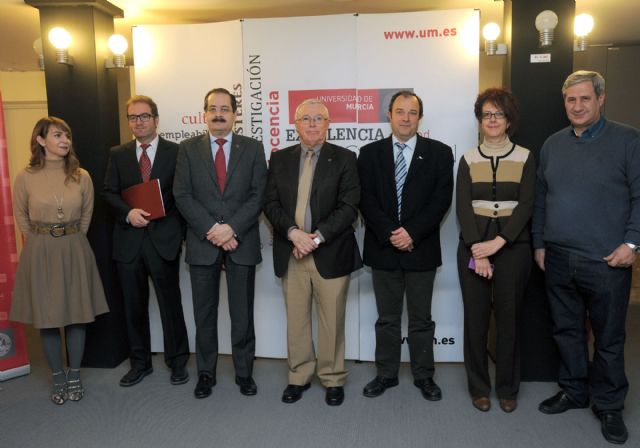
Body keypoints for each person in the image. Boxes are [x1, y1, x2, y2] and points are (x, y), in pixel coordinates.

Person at [533, 71, 640, 445]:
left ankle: (609, 405)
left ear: (601, 99)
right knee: (567, 331)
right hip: (559, 257)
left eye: (585, 99)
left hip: (607, 260)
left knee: (609, 338)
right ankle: (574, 390)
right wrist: (539, 243)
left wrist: (633, 243)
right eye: (571, 100)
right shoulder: (552, 144)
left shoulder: (628, 140)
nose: (577, 106)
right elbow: (542, 199)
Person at [263, 99, 361, 406]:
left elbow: (349, 207)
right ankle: (299, 376)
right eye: (306, 119)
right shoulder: (279, 160)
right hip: (291, 252)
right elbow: (271, 204)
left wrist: (314, 239)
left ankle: (332, 378)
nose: (313, 123)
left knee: (332, 320)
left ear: (328, 123)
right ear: (296, 124)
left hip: (329, 252)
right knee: (297, 321)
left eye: (319, 118)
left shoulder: (345, 158)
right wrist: (294, 234)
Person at [358, 90, 453, 401]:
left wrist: (411, 232)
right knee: (387, 318)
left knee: (421, 319)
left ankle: (424, 376)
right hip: (383, 248)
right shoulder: (369, 153)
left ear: (419, 117)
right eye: (400, 111)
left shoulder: (439, 153)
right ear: (389, 115)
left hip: (421, 248)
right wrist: (391, 233)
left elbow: (441, 200)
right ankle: (386, 374)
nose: (406, 118)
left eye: (412, 113)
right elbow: (366, 201)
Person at [173, 88, 267, 399]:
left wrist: (232, 229)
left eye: (225, 108)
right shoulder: (187, 149)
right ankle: (205, 373)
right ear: (204, 114)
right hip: (203, 242)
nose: (218, 114)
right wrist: (213, 229)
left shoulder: (252, 148)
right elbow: (182, 195)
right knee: (204, 314)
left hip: (241, 242)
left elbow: (258, 195)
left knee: (242, 314)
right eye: (212, 108)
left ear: (235, 114)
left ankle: (244, 372)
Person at [10, 117, 109, 404]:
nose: (65, 140)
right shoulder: (25, 176)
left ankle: (75, 373)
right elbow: (22, 219)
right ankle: (57, 376)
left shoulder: (82, 175)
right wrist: (43, 241)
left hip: (74, 248)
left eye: (67, 135)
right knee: (48, 318)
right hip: (40, 250)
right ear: (40, 140)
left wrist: (69, 239)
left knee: (77, 314)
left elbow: (87, 217)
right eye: (57, 135)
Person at [456, 88, 535, 413]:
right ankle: (478, 387)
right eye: (486, 114)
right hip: (474, 249)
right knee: (475, 322)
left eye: (498, 114)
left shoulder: (526, 157)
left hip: (513, 250)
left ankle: (506, 387)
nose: (492, 120)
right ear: (479, 120)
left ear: (508, 120)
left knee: (508, 320)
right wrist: (479, 250)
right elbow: (462, 206)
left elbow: (526, 205)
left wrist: (498, 244)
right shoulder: (467, 159)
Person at [103, 95, 190, 388]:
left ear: (155, 119)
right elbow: (109, 193)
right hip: (129, 241)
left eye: (144, 116)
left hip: (163, 239)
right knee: (133, 306)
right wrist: (128, 213)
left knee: (170, 304)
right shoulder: (118, 153)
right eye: (133, 117)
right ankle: (139, 364)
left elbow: (183, 195)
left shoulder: (176, 152)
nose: (138, 122)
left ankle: (178, 362)